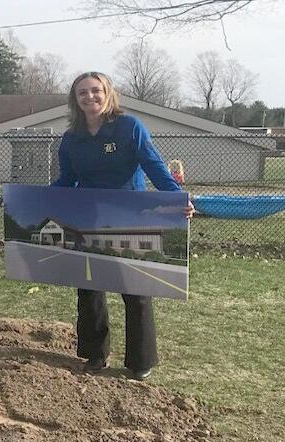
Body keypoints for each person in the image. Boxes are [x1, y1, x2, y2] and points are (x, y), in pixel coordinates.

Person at [53, 71, 195, 381]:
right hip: (88, 218)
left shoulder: (130, 127)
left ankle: (140, 361)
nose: (90, 96)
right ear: (75, 99)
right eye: (82, 92)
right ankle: (95, 355)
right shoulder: (71, 138)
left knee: (136, 290)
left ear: (107, 93)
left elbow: (154, 166)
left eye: (96, 90)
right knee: (89, 287)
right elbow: (66, 179)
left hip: (130, 217)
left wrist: (176, 199)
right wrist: (35, 200)